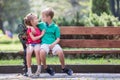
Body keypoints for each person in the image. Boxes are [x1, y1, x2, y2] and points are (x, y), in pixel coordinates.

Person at [37, 8, 73, 76]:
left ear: (49, 17)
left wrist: (53, 44)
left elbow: (58, 39)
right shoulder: (41, 25)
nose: (42, 18)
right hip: (44, 44)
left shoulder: (55, 27)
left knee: (60, 51)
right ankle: (46, 67)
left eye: (43, 16)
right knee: (41, 52)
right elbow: (32, 25)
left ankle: (63, 68)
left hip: (53, 43)